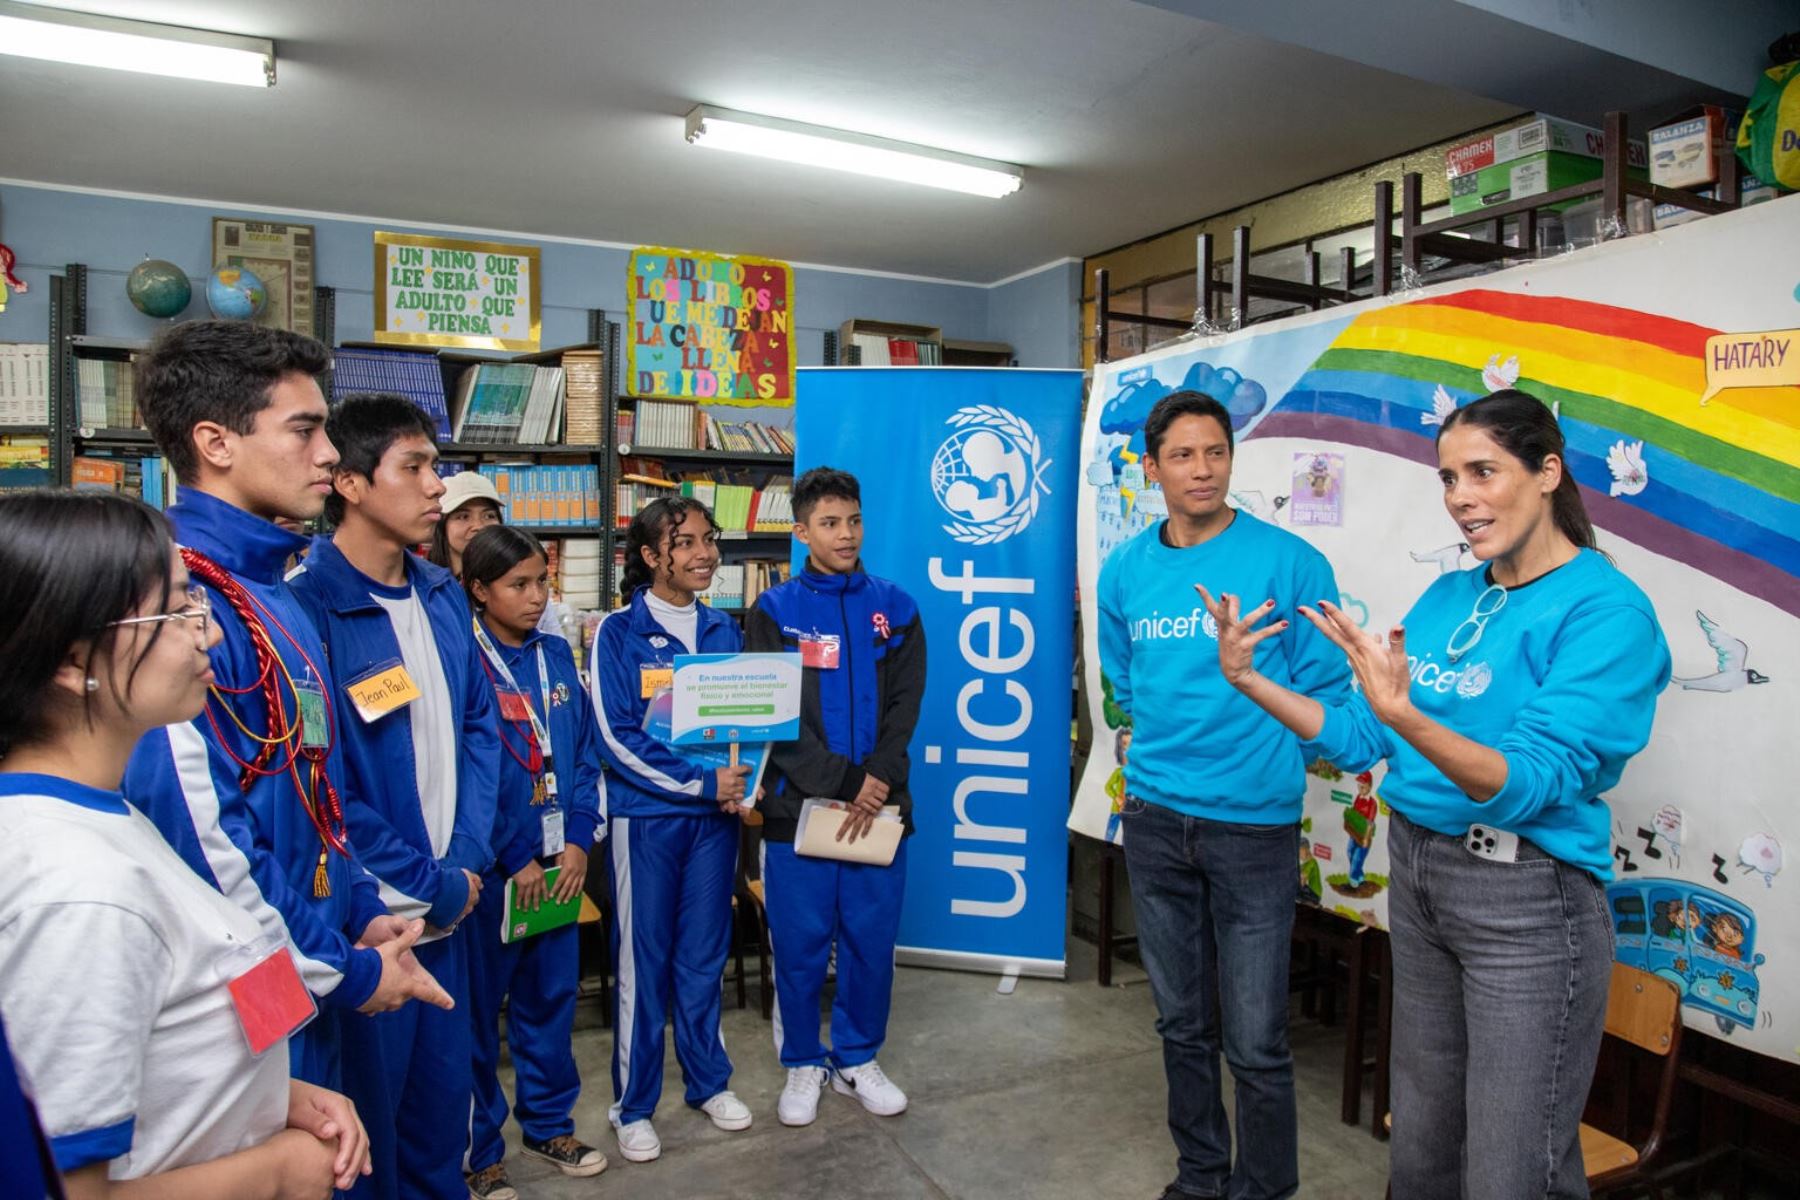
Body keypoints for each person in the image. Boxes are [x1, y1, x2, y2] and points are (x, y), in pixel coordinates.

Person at [1199, 390, 1670, 1199]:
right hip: (1419, 875)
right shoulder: (1451, 596)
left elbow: (1525, 784)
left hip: (1525, 901)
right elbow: (1356, 738)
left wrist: (1405, 715)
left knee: (1508, 1170)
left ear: (1548, 471)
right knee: (1419, 1148)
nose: (1460, 497)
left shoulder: (1607, 611)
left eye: (1483, 471)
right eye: (1449, 477)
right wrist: (1247, 678)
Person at [0, 489, 374, 1199]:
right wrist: (276, 1171)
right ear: (69, 657)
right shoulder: (81, 892)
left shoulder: (101, 817)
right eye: (174, 611)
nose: (204, 633)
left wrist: (276, 1097)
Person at [122, 320, 449, 1094]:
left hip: (319, 945)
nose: (330, 455)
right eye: (303, 431)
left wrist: (364, 905)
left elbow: (315, 788)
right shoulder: (171, 600)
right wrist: (341, 965)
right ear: (216, 442)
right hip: (250, 980)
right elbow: (200, 834)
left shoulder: (276, 589)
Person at [1097, 390, 1352, 1200]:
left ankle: (1263, 1187)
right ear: (1153, 468)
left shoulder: (1289, 563)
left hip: (1254, 830)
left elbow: (1325, 691)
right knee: (1181, 1025)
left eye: (1215, 452)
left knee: (1256, 1040)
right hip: (1156, 822)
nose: (1202, 470)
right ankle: (1201, 1175)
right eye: (1182, 455)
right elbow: (1125, 680)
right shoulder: (1126, 570)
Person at [288, 394, 499, 1200]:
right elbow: (324, 785)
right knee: (369, 1141)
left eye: (435, 466)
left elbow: (482, 728)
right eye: (414, 468)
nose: (436, 487)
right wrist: (432, 879)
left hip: (457, 904)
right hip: (373, 926)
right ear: (348, 482)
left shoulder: (444, 594)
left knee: (442, 1125)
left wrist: (468, 859)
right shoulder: (310, 604)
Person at [742, 466, 926, 1127]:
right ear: (801, 531)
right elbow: (772, 716)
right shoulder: (774, 612)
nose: (844, 534)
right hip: (800, 811)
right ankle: (801, 1063)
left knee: (872, 943)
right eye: (828, 523)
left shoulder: (897, 608)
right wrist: (846, 781)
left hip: (880, 810)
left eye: (852, 520)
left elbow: (906, 702)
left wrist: (877, 776)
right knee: (799, 944)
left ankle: (856, 1058)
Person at [588, 496, 754, 1163]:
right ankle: (633, 1105)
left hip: (715, 826)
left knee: (704, 959)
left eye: (708, 540)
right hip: (648, 823)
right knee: (642, 963)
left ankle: (708, 1083)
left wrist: (747, 777)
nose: (703, 553)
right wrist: (699, 782)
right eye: (684, 542)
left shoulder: (723, 629)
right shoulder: (615, 633)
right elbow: (613, 738)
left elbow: (745, 725)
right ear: (651, 557)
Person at [461, 525, 609, 1197]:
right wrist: (513, 854)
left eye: (540, 583)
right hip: (495, 874)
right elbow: (466, 775)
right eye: (517, 585)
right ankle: (479, 1152)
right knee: (476, 1014)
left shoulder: (556, 655)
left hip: (561, 866)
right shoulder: (465, 658)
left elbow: (582, 757)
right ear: (479, 590)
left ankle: (548, 1123)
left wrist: (578, 839)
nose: (533, 597)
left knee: (550, 1000)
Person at [425, 469, 503, 577]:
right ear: (441, 525)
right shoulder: (422, 583)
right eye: (463, 517)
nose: (478, 526)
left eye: (489, 516)